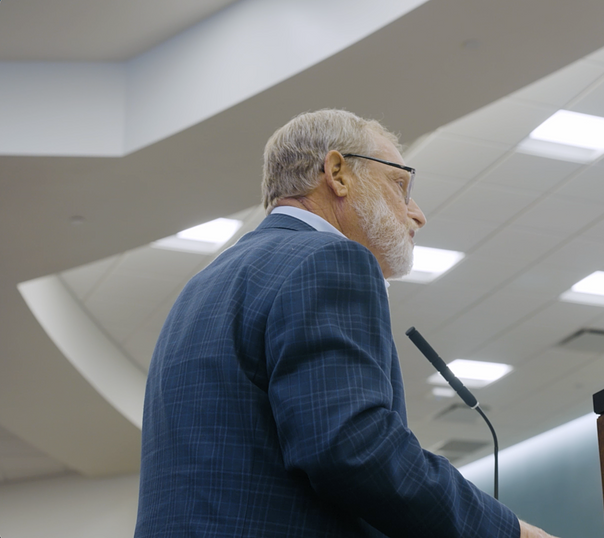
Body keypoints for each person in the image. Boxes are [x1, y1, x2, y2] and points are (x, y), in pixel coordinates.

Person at [135, 109, 558, 538]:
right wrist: (509, 532)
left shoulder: (203, 285)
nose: (417, 214)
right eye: (400, 184)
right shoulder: (329, 258)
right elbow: (355, 447)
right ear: (337, 173)